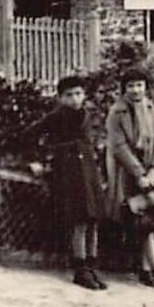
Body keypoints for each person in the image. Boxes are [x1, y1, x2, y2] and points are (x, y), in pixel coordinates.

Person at [24, 75, 109, 290]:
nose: (74, 99)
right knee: (79, 220)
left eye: (78, 94)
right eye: (69, 95)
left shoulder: (89, 116)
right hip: (68, 172)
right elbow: (28, 136)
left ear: (85, 96)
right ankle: (80, 270)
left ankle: (92, 265)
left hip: (89, 171)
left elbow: (99, 142)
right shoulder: (55, 117)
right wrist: (35, 161)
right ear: (60, 98)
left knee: (93, 220)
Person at [105, 67, 154, 288]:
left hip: (149, 171)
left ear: (146, 87)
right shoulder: (116, 112)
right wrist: (139, 175)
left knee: (150, 218)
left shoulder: (150, 108)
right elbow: (118, 146)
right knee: (138, 218)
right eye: (131, 86)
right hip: (127, 173)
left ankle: (147, 269)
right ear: (124, 89)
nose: (136, 90)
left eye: (139, 85)